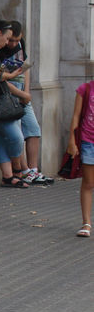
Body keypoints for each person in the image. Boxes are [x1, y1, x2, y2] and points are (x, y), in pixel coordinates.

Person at [0, 21, 53, 185]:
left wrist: (26, 93)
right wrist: (20, 93)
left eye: (17, 40)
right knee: (17, 135)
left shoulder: (20, 46)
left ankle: (33, 171)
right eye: (11, 40)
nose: (13, 44)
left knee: (33, 129)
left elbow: (25, 69)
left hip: (22, 93)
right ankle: (24, 169)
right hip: (9, 94)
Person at [0, 19, 32, 188]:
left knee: (4, 137)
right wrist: (10, 75)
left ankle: (7, 176)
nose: (7, 42)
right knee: (16, 137)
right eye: (7, 38)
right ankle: (16, 169)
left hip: (0, 96)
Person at [68, 80, 94, 237]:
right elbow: (76, 116)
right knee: (89, 182)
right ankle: (86, 222)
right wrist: (71, 140)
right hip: (88, 141)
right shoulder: (86, 88)